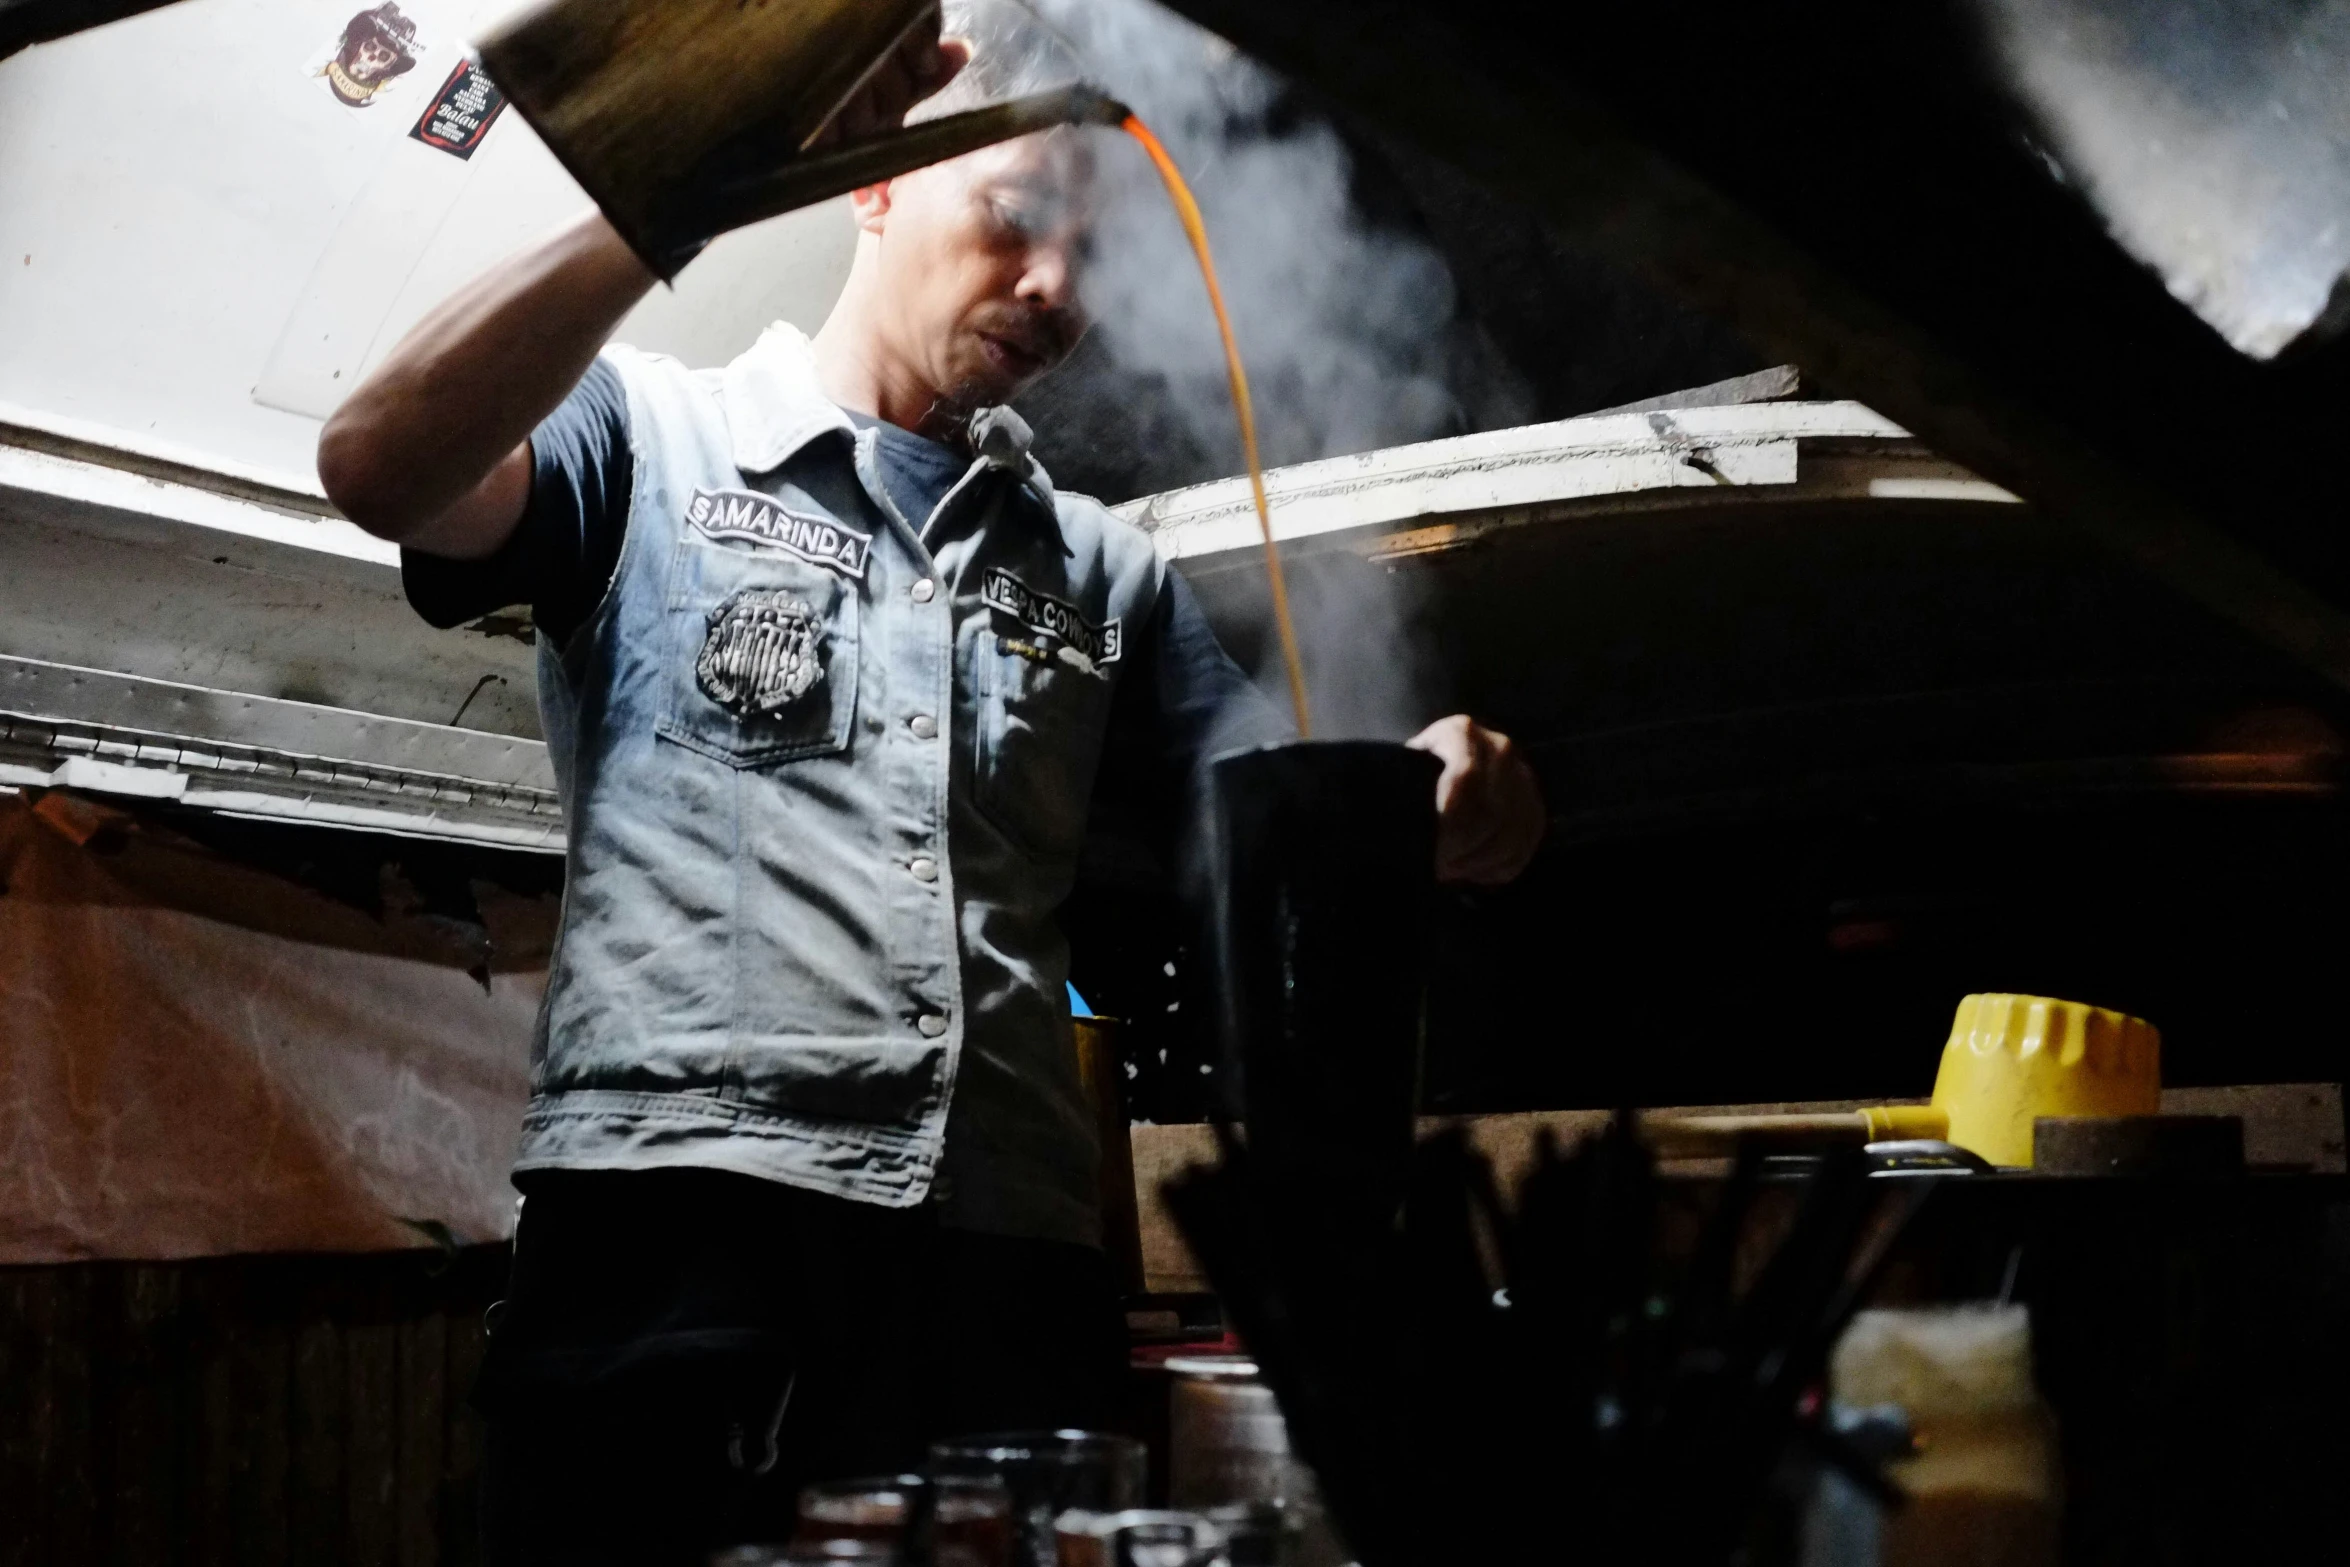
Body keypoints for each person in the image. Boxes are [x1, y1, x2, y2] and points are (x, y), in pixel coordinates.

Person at [318, 6, 1545, 1562]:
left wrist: (1458, 792)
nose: (1055, 292)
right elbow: (374, 464)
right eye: (1018, 216)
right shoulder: (654, 442)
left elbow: (1300, 823)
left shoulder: (1104, 571)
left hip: (1006, 1280)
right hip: (683, 1256)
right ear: (875, 185)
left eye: (1106, 260)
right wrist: (676, 196)